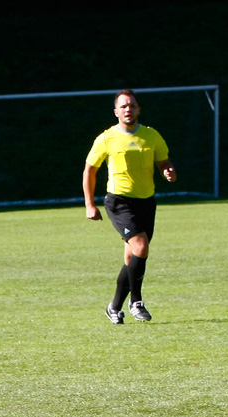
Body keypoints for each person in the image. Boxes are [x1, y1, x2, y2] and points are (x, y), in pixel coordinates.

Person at [83, 89, 177, 325]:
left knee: (132, 256)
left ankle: (114, 307)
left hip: (146, 202)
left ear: (138, 109)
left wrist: (168, 171)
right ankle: (136, 302)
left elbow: (164, 161)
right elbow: (90, 170)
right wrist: (89, 204)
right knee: (141, 247)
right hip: (119, 202)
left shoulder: (151, 135)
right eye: (123, 106)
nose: (128, 109)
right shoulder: (107, 138)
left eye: (132, 105)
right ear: (116, 112)